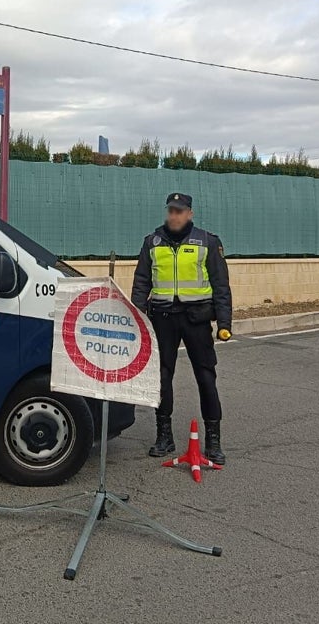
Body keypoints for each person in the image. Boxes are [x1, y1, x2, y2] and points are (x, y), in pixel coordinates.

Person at [131, 192, 232, 463]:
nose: (174, 216)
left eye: (180, 211)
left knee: (206, 376)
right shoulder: (152, 243)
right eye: (171, 211)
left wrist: (224, 322)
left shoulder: (207, 242)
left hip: (196, 318)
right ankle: (164, 436)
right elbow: (141, 282)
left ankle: (213, 440)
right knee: (162, 378)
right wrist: (135, 315)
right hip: (163, 319)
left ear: (190, 214)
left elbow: (221, 285)